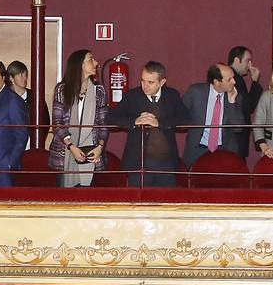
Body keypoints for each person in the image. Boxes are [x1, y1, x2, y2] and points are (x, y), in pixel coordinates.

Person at [108, 60, 187, 187]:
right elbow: (111, 118)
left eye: (150, 82)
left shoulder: (172, 95)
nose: (145, 85)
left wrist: (159, 122)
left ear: (162, 82)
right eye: (142, 80)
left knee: (165, 203)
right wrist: (134, 121)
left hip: (166, 164)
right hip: (138, 163)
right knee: (138, 204)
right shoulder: (132, 96)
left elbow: (185, 119)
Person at [49, 48, 109, 187]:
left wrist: (100, 147)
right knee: (65, 202)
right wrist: (71, 147)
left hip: (92, 153)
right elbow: (57, 123)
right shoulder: (62, 89)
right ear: (79, 65)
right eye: (90, 60)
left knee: (88, 203)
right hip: (64, 155)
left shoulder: (98, 90)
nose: (96, 63)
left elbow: (103, 123)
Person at [181, 62, 247, 168]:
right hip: (197, 150)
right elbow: (180, 115)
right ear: (217, 82)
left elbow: (238, 128)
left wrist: (231, 102)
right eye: (229, 79)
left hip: (224, 150)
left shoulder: (236, 97)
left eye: (233, 78)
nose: (234, 82)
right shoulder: (195, 92)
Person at [228, 45, 263, 156]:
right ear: (237, 60)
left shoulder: (233, 78)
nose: (249, 65)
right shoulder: (236, 80)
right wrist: (255, 82)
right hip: (234, 139)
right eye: (247, 61)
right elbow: (248, 107)